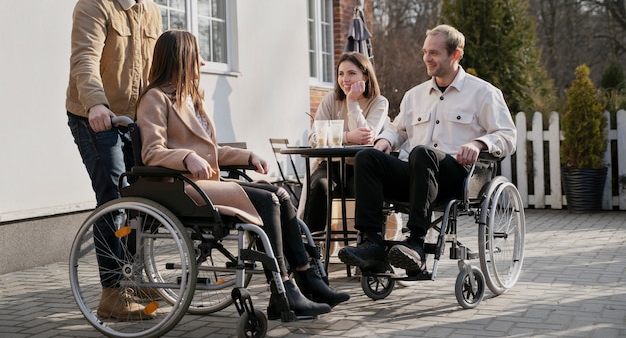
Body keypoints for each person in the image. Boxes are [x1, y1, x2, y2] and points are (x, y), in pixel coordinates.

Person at [136, 30, 349, 320]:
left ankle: (307, 278)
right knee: (267, 202)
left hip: (205, 184)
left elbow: (211, 150)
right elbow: (152, 151)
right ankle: (283, 290)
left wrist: (247, 156)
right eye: (196, 56)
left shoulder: (190, 99)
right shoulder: (155, 99)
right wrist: (186, 157)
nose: (202, 62)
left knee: (280, 194)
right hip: (183, 187)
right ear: (180, 59)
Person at [338, 24, 516, 271]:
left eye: (434, 53)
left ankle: (416, 244)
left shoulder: (483, 93)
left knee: (422, 153)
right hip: (415, 175)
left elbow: (507, 136)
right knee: (367, 156)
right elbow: (398, 130)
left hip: (455, 178)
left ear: (456, 54)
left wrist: (479, 142)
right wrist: (386, 140)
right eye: (425, 52)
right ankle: (373, 245)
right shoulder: (415, 95)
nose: (427, 58)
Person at [65, 0, 162, 320]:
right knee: (113, 200)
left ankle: (134, 279)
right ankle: (112, 293)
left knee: (142, 202)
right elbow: (84, 61)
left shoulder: (149, 11)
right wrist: (97, 105)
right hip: (95, 117)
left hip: (134, 121)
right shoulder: (93, 5)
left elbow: (155, 67)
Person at [303, 52, 388, 233]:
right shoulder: (330, 99)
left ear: (365, 75)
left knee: (366, 191)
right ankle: (312, 244)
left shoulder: (379, 102)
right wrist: (347, 137)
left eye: (351, 73)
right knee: (319, 185)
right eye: (341, 74)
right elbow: (313, 138)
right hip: (330, 165)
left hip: (361, 167)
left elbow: (367, 138)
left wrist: (352, 102)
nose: (345, 79)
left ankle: (367, 242)